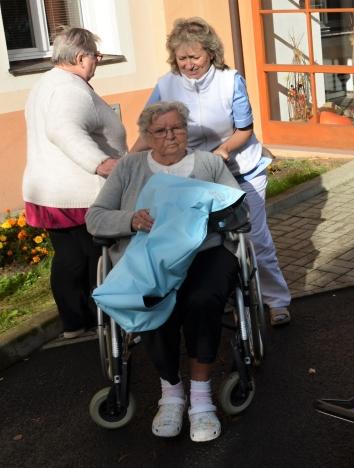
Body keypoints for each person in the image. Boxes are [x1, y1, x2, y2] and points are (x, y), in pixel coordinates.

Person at [87, 101, 239, 442]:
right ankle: (171, 393)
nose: (171, 135)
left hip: (204, 251)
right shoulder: (129, 167)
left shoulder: (209, 163)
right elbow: (95, 216)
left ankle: (200, 399)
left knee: (202, 299)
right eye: (161, 130)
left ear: (187, 130)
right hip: (148, 256)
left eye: (178, 128)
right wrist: (131, 219)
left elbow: (237, 209)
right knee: (152, 299)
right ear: (146, 136)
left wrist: (207, 212)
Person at [131, 17, 292, 326]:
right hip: (193, 176)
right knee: (204, 241)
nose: (188, 64)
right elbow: (149, 127)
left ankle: (277, 301)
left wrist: (224, 151)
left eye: (195, 57)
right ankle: (224, 296)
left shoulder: (230, 80)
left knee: (255, 238)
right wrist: (129, 158)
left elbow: (244, 129)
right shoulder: (167, 84)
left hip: (240, 169)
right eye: (182, 58)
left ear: (211, 53)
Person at [22, 27, 126, 339]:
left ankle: (75, 322)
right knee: (91, 261)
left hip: (54, 191)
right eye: (96, 56)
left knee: (71, 260)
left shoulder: (48, 83)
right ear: (81, 58)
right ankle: (97, 321)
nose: (98, 61)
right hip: (75, 195)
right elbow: (63, 129)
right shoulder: (70, 89)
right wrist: (103, 164)